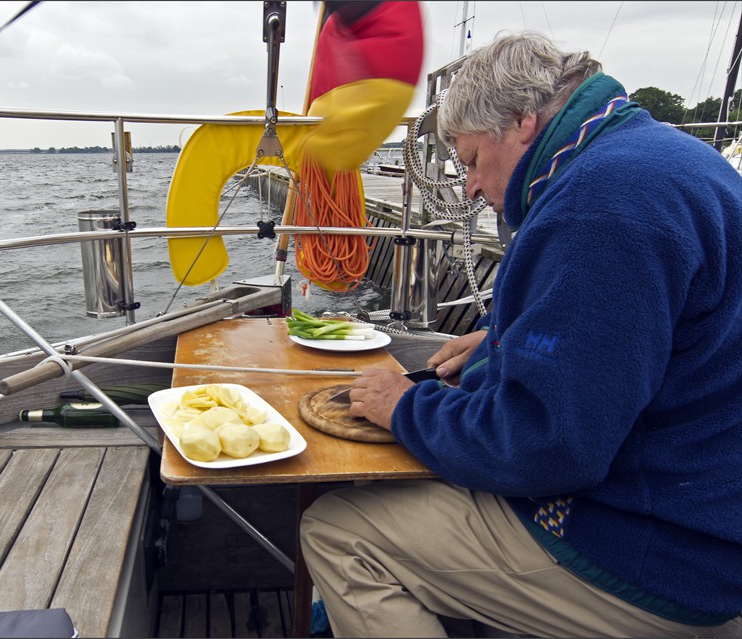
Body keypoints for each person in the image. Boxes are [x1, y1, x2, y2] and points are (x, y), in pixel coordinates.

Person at [299, 32, 742, 637]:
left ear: (522, 122)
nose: (471, 189)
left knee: (339, 532)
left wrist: (406, 407)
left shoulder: (596, 207)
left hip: (657, 553)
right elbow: (657, 331)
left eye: (473, 161)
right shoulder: (666, 158)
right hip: (708, 516)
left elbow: (547, 447)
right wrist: (506, 335)